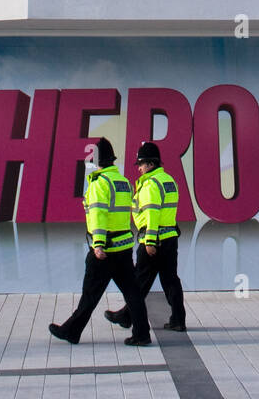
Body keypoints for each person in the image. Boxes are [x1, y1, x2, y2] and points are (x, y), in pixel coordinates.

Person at [49, 137, 152, 347]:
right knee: (133, 294)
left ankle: (71, 332)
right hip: (123, 248)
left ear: (96, 161)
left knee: (90, 295)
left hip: (105, 249)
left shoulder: (99, 184)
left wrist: (98, 244)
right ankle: (142, 334)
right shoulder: (123, 182)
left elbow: (98, 216)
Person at [106, 140, 187, 333]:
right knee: (170, 281)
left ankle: (126, 316)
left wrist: (150, 241)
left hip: (153, 240)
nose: (139, 168)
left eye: (141, 164)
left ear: (151, 164)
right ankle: (178, 319)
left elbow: (152, 214)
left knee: (138, 282)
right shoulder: (169, 180)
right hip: (169, 239)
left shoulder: (151, 184)